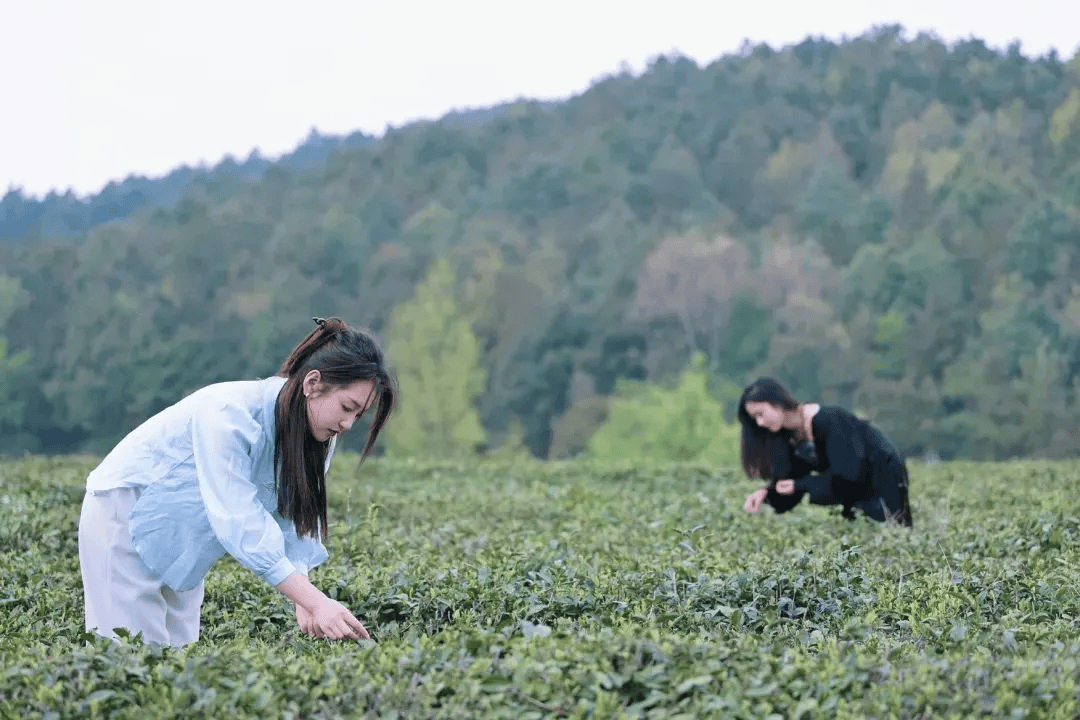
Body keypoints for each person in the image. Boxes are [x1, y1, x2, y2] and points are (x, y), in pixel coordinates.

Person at [78, 317, 397, 646]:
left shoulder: (317, 439)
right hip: (124, 514)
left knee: (177, 665)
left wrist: (304, 600)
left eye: (358, 416)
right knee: (129, 658)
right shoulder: (229, 414)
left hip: (182, 539)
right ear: (313, 384)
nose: (348, 424)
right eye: (347, 407)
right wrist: (316, 601)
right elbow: (238, 520)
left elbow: (290, 521)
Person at [737, 377, 912, 527]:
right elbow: (791, 481)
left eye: (760, 414)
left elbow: (849, 475)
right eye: (755, 419)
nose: (759, 423)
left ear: (777, 403)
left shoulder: (830, 421)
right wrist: (765, 493)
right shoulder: (787, 436)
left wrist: (801, 485)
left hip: (883, 473)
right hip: (854, 488)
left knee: (892, 530)